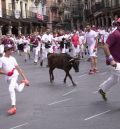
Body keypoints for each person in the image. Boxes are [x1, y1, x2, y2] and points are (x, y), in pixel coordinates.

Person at [0, 44, 29, 115]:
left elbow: (19, 69)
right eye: (10, 50)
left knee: (10, 89)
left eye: (12, 49)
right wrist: (6, 73)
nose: (11, 51)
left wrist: (25, 78)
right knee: (18, 89)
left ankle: (13, 107)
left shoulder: (13, 58)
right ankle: (23, 83)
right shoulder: (1, 59)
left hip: (14, 75)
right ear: (6, 50)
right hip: (8, 78)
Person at [98, 18, 120, 101]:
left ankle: (102, 90)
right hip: (114, 62)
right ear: (118, 25)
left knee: (114, 80)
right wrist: (111, 59)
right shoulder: (114, 34)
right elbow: (105, 46)